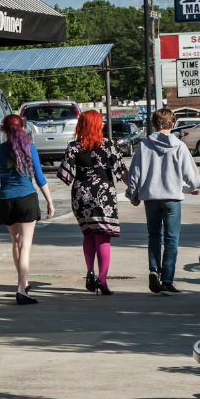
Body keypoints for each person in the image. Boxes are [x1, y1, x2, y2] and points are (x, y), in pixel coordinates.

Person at [125, 109, 200, 295]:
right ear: (172, 124)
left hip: (150, 198)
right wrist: (195, 186)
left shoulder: (144, 146)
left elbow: (134, 173)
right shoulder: (179, 146)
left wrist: (133, 194)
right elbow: (190, 172)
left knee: (154, 236)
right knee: (171, 239)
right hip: (172, 199)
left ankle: (153, 269)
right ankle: (167, 280)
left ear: (154, 124)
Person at [57, 110, 128, 295]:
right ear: (97, 125)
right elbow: (121, 172)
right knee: (103, 236)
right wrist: (135, 191)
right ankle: (102, 280)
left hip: (81, 195)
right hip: (103, 195)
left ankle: (90, 270)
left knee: (88, 234)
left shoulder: (73, 147)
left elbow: (65, 177)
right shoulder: (109, 146)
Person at [0, 114, 55, 305]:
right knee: (25, 245)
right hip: (26, 199)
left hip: (5, 201)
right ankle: (21, 289)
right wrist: (49, 202)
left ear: (3, 130)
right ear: (23, 128)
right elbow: (40, 179)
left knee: (15, 242)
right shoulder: (30, 149)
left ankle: (23, 282)